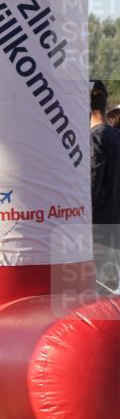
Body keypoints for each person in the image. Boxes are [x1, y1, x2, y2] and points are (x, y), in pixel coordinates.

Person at [91, 80, 120, 293]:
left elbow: (92, 186)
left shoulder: (95, 138)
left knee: (97, 295)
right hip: (114, 227)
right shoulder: (115, 136)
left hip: (98, 230)